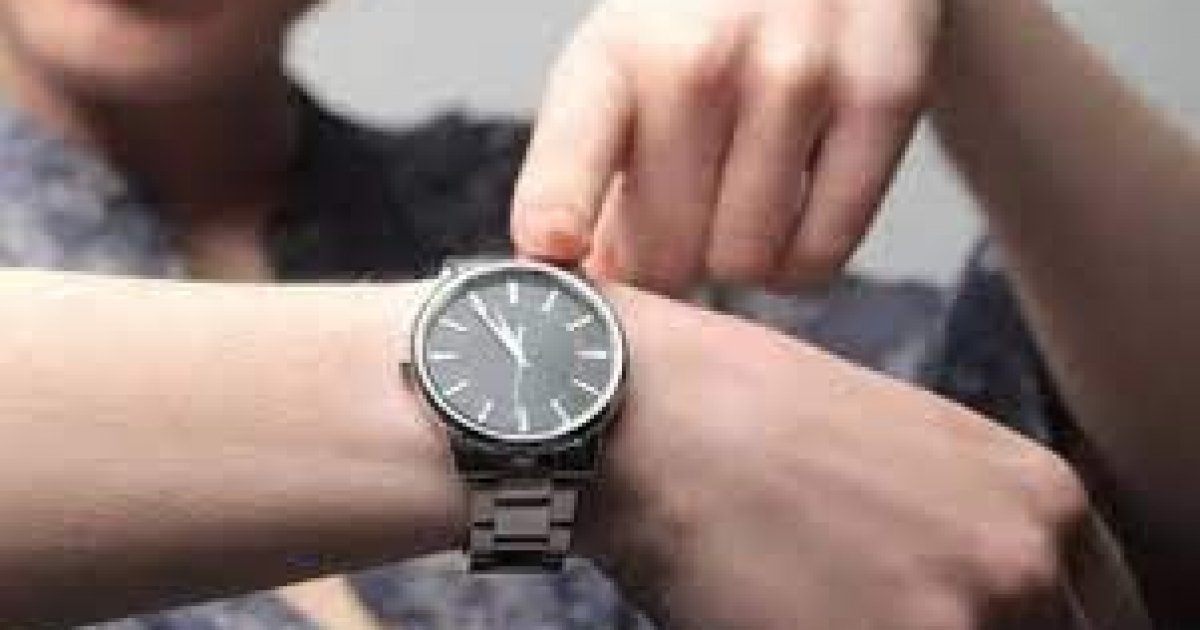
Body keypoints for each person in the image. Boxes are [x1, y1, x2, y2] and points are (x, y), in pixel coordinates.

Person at [0, 2, 1162, 630]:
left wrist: (968, 19)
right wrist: (646, 419)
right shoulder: (622, 315)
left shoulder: (579, 203)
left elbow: (1108, 501)